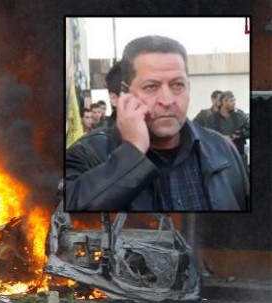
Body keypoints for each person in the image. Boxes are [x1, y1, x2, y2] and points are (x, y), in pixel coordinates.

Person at [64, 35, 249, 211]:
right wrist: (132, 152)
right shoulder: (87, 154)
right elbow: (63, 221)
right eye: (151, 87)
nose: (167, 100)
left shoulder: (221, 149)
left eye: (177, 85)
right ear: (125, 93)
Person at [207, 90, 249, 159]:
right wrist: (222, 138)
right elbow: (208, 136)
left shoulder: (240, 117)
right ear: (224, 101)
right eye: (231, 101)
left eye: (234, 100)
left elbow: (249, 132)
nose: (234, 103)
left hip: (238, 155)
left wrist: (239, 134)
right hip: (220, 156)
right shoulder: (212, 119)